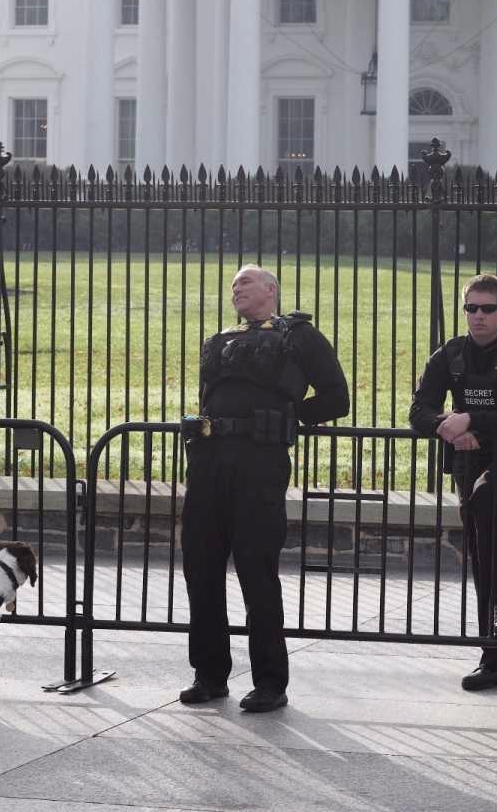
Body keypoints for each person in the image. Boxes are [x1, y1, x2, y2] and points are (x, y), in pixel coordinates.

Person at [179, 264, 349, 714]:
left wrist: (288, 418)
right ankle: (209, 674)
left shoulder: (300, 337)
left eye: (246, 282)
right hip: (209, 461)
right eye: (233, 284)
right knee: (201, 568)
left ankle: (270, 682)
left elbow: (337, 397)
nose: (236, 288)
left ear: (271, 290)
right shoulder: (221, 339)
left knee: (256, 572)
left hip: (259, 463)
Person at [408, 274, 497, 692]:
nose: (479, 316)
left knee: (488, 497)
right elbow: (419, 410)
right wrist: (447, 426)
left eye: (488, 308)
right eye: (472, 308)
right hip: (469, 457)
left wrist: (473, 422)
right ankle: (496, 659)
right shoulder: (449, 355)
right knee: (481, 548)